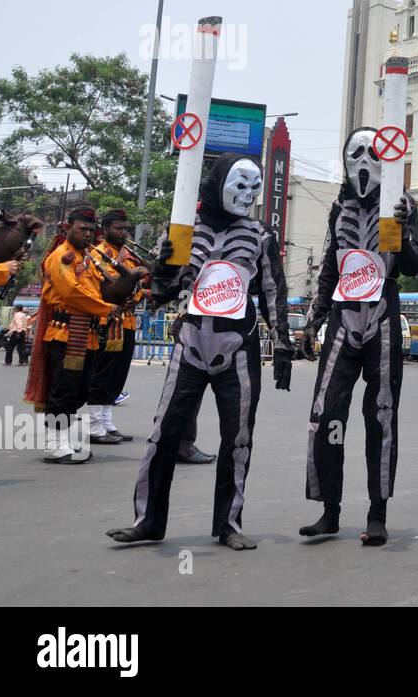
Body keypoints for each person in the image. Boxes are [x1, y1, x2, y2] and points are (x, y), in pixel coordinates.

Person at [107, 155, 293, 549]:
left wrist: (283, 346)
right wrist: (166, 267)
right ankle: (148, 522)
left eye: (253, 187)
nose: (247, 194)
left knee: (238, 438)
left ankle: (229, 525)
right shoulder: (183, 231)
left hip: (238, 349)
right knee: (163, 435)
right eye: (239, 184)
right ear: (217, 182)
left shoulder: (260, 234)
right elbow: (160, 296)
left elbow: (274, 291)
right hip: (190, 345)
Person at [300, 128, 418, 546]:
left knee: (382, 415)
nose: (366, 162)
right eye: (357, 154)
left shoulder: (403, 205)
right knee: (327, 413)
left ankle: (377, 513)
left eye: (374, 153)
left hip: (383, 318)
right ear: (346, 161)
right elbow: (330, 270)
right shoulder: (338, 209)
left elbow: (412, 266)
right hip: (342, 315)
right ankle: (329, 510)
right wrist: (313, 320)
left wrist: (403, 229)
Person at [34, 207, 116, 464]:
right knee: (63, 389)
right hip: (65, 332)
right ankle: (53, 444)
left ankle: (64, 439)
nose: (87, 234)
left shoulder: (89, 258)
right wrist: (105, 308)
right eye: (82, 229)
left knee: (79, 390)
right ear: (68, 228)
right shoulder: (62, 257)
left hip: (86, 332)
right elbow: (71, 293)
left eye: (91, 230)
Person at [86, 208, 147, 445]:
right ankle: (94, 425)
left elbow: (140, 283)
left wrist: (137, 296)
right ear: (105, 230)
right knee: (102, 373)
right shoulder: (98, 254)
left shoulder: (129, 254)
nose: (124, 232)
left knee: (118, 374)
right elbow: (106, 286)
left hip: (128, 320)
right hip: (107, 320)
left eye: (125, 228)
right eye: (118, 228)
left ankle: (107, 422)